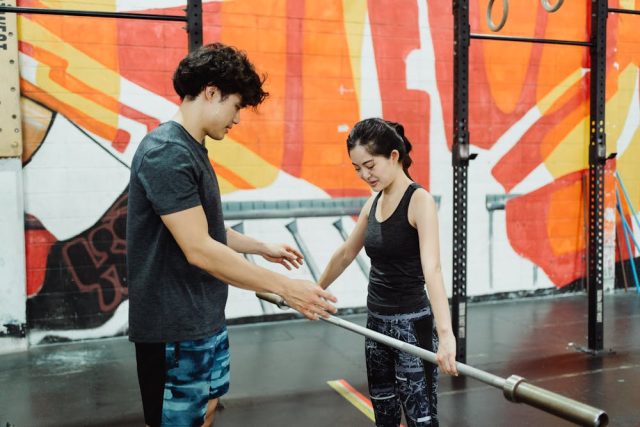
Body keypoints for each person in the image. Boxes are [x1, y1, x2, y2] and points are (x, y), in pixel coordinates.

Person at [126, 42, 337, 427]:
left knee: (207, 410)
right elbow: (199, 249)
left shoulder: (191, 148)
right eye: (236, 106)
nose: (237, 118)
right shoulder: (166, 152)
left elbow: (202, 226)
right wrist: (287, 287)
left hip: (203, 318)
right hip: (173, 330)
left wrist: (261, 247)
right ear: (211, 92)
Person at [317, 118, 458, 427]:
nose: (365, 175)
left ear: (393, 156)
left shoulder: (419, 201)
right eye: (357, 169)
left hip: (412, 327)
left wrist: (446, 338)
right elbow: (345, 253)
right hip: (376, 324)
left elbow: (432, 269)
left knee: (420, 418)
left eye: (370, 165)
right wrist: (314, 290)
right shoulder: (374, 201)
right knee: (385, 416)